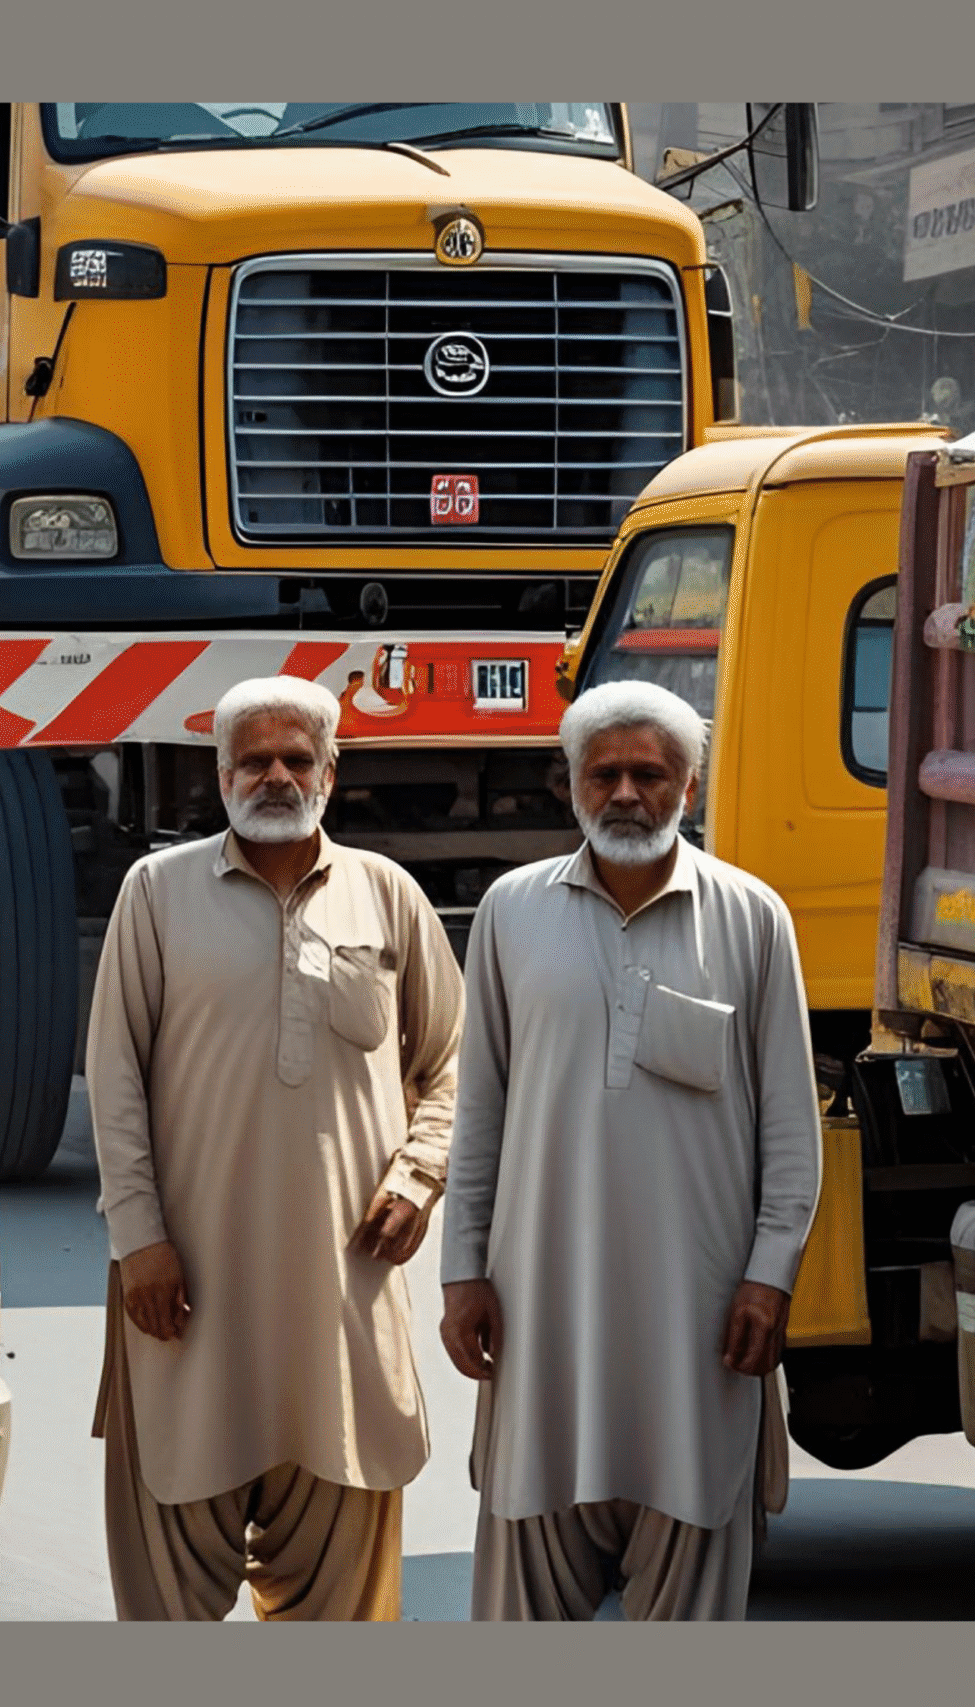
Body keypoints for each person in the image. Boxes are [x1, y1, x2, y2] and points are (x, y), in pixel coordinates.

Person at [439, 678, 822, 1621]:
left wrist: (770, 1278)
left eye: (648, 775)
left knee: (691, 1578)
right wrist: (462, 1273)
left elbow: (791, 1128)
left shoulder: (752, 918)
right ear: (569, 785)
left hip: (698, 1331)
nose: (624, 795)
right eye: (602, 773)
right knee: (525, 1587)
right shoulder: (510, 912)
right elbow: (477, 1110)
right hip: (542, 1320)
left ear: (688, 789)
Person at [85, 674, 463, 1621]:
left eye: (298, 759)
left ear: (332, 771)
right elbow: (116, 1077)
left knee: (343, 1580)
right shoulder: (156, 893)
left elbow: (455, 1063)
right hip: (187, 1291)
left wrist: (419, 1179)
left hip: (342, 1292)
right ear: (220, 774)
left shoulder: (388, 895)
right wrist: (140, 1240)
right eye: (254, 759)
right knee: (167, 1571)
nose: (277, 777)